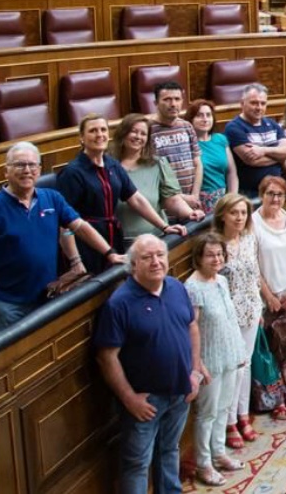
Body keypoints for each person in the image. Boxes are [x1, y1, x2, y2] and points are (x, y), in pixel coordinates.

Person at [0, 142, 124, 331]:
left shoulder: (52, 198)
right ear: (6, 171)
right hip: (9, 305)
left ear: (39, 170)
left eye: (32, 165)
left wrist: (109, 253)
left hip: (47, 298)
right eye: (20, 165)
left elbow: (80, 227)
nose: (27, 170)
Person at [94, 234, 207, 494]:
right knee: (137, 463)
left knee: (169, 450)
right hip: (145, 401)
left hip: (180, 391)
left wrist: (195, 371)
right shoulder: (119, 304)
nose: (156, 262)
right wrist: (129, 398)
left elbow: (192, 327)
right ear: (134, 265)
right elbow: (106, 357)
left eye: (160, 255)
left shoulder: (176, 287)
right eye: (147, 257)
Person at [58, 114, 184, 275]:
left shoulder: (112, 164)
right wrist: (75, 260)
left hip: (113, 239)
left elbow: (135, 198)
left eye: (103, 130)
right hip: (85, 244)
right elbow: (64, 223)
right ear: (82, 137)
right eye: (93, 131)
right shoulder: (72, 173)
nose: (99, 134)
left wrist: (164, 226)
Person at [184, 233, 246, 487]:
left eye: (220, 254)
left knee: (223, 409)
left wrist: (239, 351)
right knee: (206, 414)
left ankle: (219, 453)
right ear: (198, 257)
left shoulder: (221, 280)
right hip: (208, 359)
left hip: (229, 355)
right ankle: (204, 464)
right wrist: (198, 364)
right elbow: (191, 327)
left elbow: (229, 320)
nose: (216, 259)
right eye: (210, 254)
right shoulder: (192, 287)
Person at [252, 176, 286, 419]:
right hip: (267, 298)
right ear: (262, 194)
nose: (275, 199)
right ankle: (275, 400)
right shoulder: (253, 223)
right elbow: (253, 264)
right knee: (271, 350)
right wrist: (269, 295)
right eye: (270, 193)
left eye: (279, 194)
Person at [213, 193, 261, 448]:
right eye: (234, 212)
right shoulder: (216, 245)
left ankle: (243, 414)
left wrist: (260, 306)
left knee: (246, 364)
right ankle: (230, 420)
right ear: (223, 215)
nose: (240, 217)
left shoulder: (249, 239)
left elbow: (255, 275)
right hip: (228, 315)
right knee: (233, 368)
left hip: (251, 309)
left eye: (243, 212)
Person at [110, 114, 201, 240]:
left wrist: (189, 213)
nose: (138, 137)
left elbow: (172, 199)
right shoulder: (108, 166)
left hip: (155, 238)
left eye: (143, 134)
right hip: (119, 241)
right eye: (134, 132)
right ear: (123, 133)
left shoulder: (157, 164)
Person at [225, 84, 286, 196]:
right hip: (250, 194)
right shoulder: (234, 127)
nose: (259, 107)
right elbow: (252, 160)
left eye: (263, 103)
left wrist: (263, 151)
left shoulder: (272, 124)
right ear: (242, 103)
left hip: (276, 191)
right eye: (254, 103)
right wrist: (279, 156)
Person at [148, 81, 203, 212]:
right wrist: (182, 198)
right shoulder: (148, 130)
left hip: (191, 203)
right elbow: (150, 174)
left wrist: (194, 195)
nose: (173, 104)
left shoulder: (187, 126)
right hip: (165, 207)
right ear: (155, 103)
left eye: (177, 99)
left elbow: (198, 164)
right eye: (167, 99)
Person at [186, 99, 238, 210]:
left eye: (208, 115)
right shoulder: (186, 143)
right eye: (199, 115)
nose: (205, 119)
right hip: (196, 203)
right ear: (191, 119)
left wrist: (233, 198)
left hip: (222, 200)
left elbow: (231, 172)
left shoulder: (220, 139)